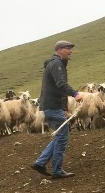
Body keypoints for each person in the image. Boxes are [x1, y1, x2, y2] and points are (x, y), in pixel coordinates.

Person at [31, 40, 83, 179]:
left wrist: (64, 108)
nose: (70, 51)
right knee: (62, 137)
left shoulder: (56, 64)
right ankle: (56, 170)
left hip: (52, 106)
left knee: (60, 134)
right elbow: (61, 84)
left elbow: (58, 89)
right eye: (67, 48)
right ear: (59, 50)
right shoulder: (56, 64)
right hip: (52, 106)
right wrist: (75, 93)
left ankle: (40, 162)